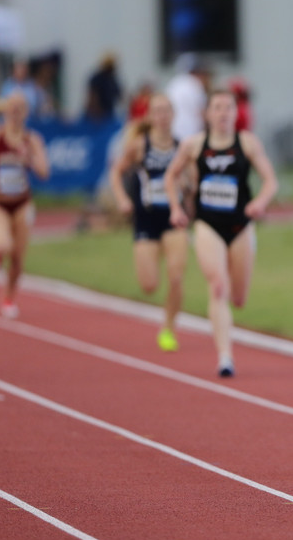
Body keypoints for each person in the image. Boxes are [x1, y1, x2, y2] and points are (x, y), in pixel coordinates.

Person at [164, 89, 278, 377]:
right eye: (217, 107)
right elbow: (170, 176)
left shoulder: (248, 143)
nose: (223, 113)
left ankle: (230, 325)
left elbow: (270, 181)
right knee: (217, 286)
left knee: (238, 297)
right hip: (207, 223)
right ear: (207, 113)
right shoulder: (193, 145)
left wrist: (259, 203)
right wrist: (176, 208)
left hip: (240, 225)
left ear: (235, 113)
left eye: (229, 108)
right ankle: (225, 357)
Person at [108, 93, 191, 352]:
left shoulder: (182, 147)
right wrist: (122, 199)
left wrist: (189, 185)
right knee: (149, 285)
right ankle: (154, 256)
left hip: (173, 218)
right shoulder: (139, 146)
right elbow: (115, 172)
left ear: (173, 115)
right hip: (146, 217)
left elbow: (192, 179)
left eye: (167, 111)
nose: (163, 116)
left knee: (176, 276)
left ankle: (168, 328)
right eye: (158, 111)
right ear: (150, 116)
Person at [0, 92, 50, 317]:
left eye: (20, 108)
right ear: (5, 109)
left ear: (26, 112)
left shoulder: (32, 139)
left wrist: (29, 159)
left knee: (17, 258)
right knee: (2, 244)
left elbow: (44, 172)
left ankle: (8, 298)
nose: (15, 112)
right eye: (12, 107)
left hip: (22, 202)